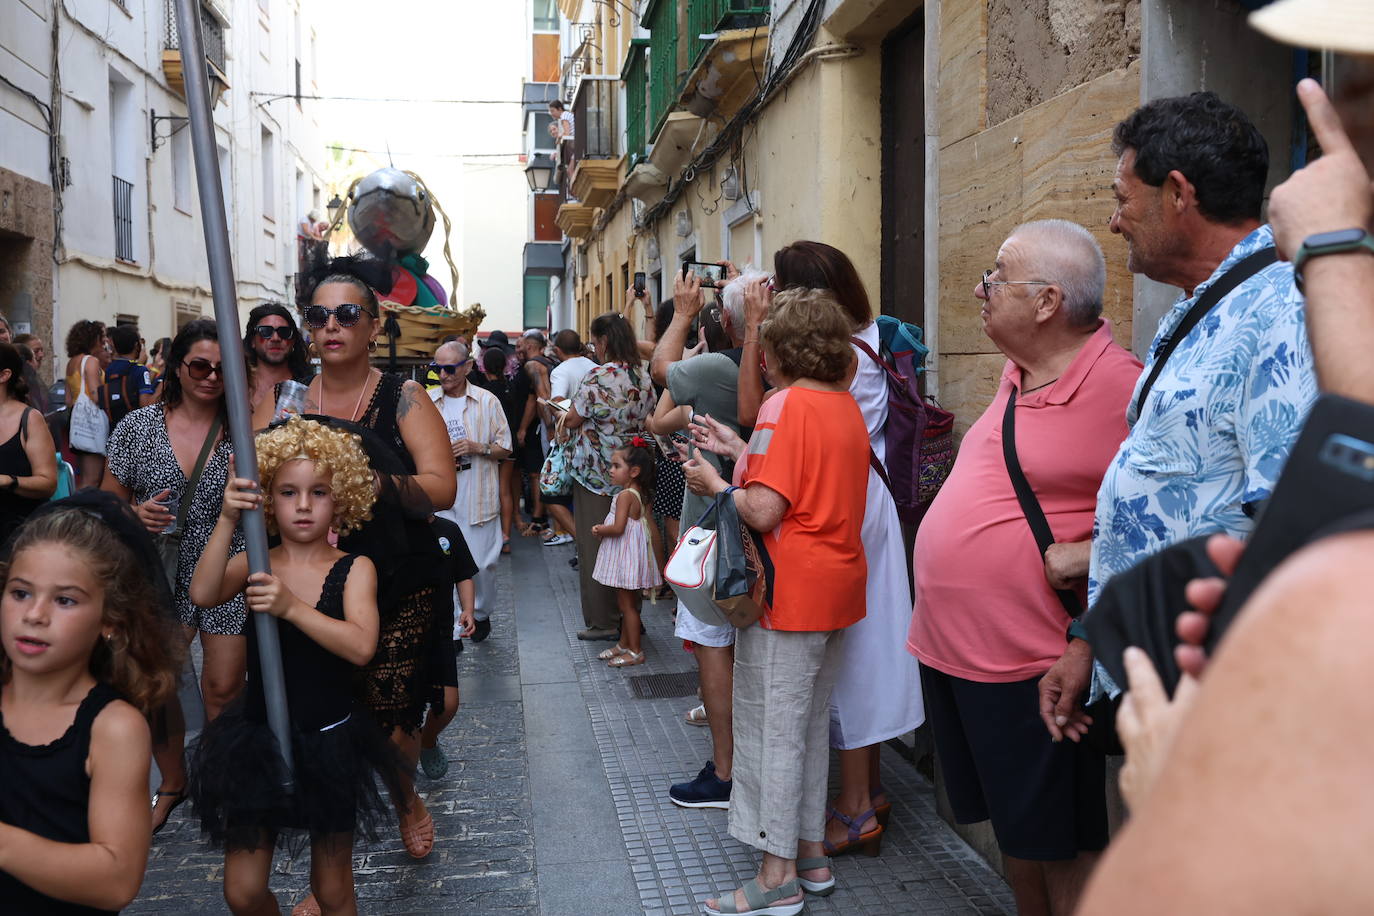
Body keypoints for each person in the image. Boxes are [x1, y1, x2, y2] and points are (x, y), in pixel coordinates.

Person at [1038, 91, 1320, 740]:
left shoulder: (1282, 310)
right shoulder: (1210, 302)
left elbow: (1293, 527)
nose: (1114, 222)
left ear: (1177, 193)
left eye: (1122, 199)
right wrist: (1090, 638)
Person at [910, 221, 1142, 914]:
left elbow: (1180, 519)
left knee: (1063, 845)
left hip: (1035, 664)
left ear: (1047, 301)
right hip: (962, 655)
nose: (980, 290)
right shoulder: (1019, 373)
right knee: (1020, 833)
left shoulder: (1122, 387)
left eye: (997, 277)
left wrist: (1090, 555)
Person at [683, 287, 869, 916]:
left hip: (787, 595)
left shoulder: (783, 406)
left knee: (771, 732)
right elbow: (803, 482)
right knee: (808, 728)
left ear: (778, 352)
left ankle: (777, 876)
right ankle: (810, 856)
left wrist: (715, 481)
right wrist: (739, 452)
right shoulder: (843, 404)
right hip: (836, 589)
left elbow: (764, 507)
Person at [267, 260, 457, 863]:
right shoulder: (291, 398)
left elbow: (442, 487)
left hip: (400, 574)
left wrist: (368, 482)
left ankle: (405, 798)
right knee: (328, 711)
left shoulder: (403, 396)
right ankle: (331, 870)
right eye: (318, 316)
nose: (331, 326)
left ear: (373, 326)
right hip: (320, 575)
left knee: (393, 718)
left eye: (347, 314)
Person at [188, 418, 401, 916]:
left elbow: (361, 646)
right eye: (288, 492)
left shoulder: (354, 568)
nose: (303, 505)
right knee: (242, 891)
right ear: (267, 499)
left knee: (331, 889)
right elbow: (202, 593)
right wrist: (227, 519)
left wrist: (291, 608)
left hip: (328, 740)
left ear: (340, 499)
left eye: (318, 492)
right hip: (258, 739)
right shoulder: (257, 561)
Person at [0, 492, 182, 913]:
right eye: (21, 593)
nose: (35, 614)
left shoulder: (112, 728)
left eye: (64, 600)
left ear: (110, 620)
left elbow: (117, 881)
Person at [103, 318, 248, 834]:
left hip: (227, 561)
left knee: (224, 686)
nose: (210, 377)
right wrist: (134, 514)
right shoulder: (138, 427)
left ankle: (221, 780)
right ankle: (172, 780)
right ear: (177, 367)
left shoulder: (246, 429)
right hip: (158, 566)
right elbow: (108, 501)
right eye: (199, 366)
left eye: (221, 369)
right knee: (156, 685)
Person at [649, 270, 752, 811]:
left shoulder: (716, 368)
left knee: (712, 644)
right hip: (757, 518)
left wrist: (685, 312)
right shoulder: (778, 367)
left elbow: (660, 368)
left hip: (714, 526)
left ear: (727, 321)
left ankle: (725, 771)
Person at [564, 311, 657, 642]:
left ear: (603, 341)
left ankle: (603, 622)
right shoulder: (643, 376)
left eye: (594, 342)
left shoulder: (597, 377)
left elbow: (573, 419)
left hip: (596, 473)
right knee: (630, 547)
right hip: (632, 473)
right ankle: (630, 618)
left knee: (595, 546)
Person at [429, 339, 512, 644]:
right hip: (442, 492)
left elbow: (505, 447)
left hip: (478, 492)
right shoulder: (427, 401)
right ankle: (453, 627)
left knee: (483, 564)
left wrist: (478, 447)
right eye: (437, 368)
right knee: (443, 561)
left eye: (450, 368)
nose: (443, 375)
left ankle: (480, 612)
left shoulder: (488, 401)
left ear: (467, 366)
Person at [591, 438, 663, 669]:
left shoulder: (625, 496)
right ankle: (624, 644)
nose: (611, 470)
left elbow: (618, 528)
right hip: (630, 555)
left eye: (616, 466)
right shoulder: (638, 493)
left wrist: (599, 529)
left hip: (625, 557)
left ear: (634, 471)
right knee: (626, 603)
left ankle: (635, 651)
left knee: (627, 606)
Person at [417, 513, 477, 780]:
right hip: (398, 633)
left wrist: (468, 609)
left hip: (440, 632)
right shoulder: (390, 528)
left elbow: (463, 574)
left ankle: (427, 740)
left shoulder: (448, 530)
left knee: (448, 703)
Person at [0, 343, 58, 545]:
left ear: (4, 375)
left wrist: (8, 481)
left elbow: (48, 483)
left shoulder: (29, 419)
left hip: (21, 535)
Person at [542, 329, 596, 545]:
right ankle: (586, 545)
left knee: (550, 493)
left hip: (570, 441)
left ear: (557, 350)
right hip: (595, 441)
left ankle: (582, 542)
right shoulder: (595, 367)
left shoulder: (561, 371)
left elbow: (557, 401)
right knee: (585, 497)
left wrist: (563, 414)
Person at [480, 346, 522, 553]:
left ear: (484, 367)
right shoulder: (509, 387)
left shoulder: (484, 391)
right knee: (505, 491)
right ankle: (506, 537)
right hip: (511, 443)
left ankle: (493, 535)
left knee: (493, 490)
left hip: (493, 445)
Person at [512, 331, 553, 541]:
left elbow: (537, 398)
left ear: (529, 346)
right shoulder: (546, 363)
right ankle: (541, 517)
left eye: (521, 346)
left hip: (537, 429)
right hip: (540, 428)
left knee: (537, 474)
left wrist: (524, 428)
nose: (518, 350)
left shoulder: (533, 366)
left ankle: (539, 519)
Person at [64, 320, 108, 488]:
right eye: (101, 338)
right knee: (93, 480)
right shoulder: (90, 361)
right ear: (93, 339)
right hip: (92, 425)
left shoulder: (71, 363)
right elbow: (96, 396)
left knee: (83, 478)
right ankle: (82, 506)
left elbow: (68, 400)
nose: (104, 341)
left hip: (77, 424)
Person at [243, 302, 312, 409]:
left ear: (293, 341)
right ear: (252, 341)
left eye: (284, 332)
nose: (275, 338)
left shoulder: (310, 388)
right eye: (266, 331)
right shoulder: (237, 387)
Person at [103, 325, 156, 429]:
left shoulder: (108, 368)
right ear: (136, 345)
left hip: (112, 426)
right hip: (133, 428)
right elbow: (146, 404)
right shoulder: (140, 370)